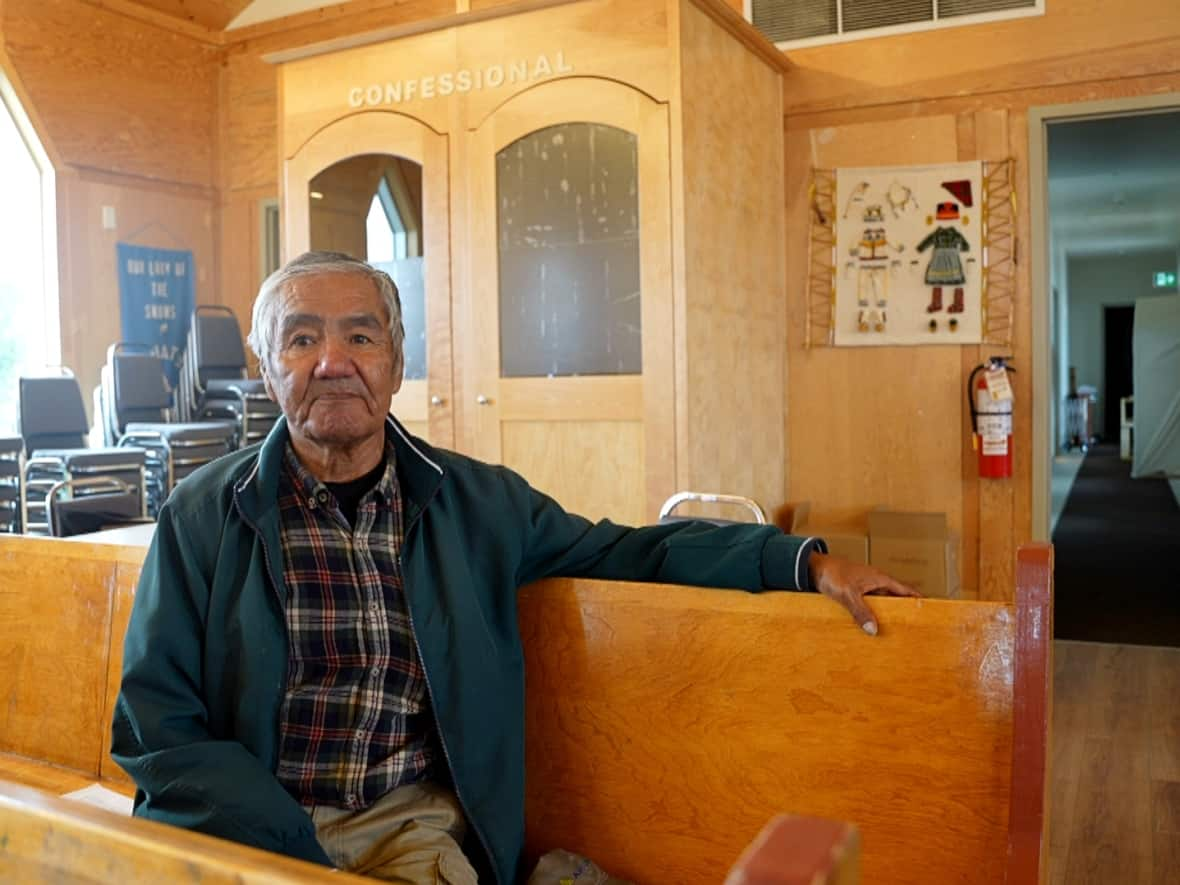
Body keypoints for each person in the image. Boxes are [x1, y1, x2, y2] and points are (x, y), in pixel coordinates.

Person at [112, 251, 917, 884]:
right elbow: (156, 726)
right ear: (265, 365)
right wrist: (290, 847)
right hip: (249, 830)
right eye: (301, 337)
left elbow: (634, 548)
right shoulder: (203, 515)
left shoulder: (478, 503)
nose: (333, 360)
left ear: (395, 361)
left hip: (408, 831)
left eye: (360, 335)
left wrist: (799, 560)